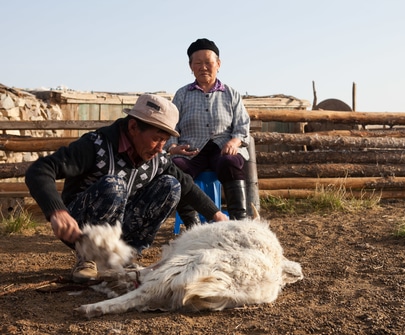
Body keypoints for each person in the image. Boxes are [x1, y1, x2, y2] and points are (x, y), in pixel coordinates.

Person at [25, 94, 228, 283]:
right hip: (78, 228)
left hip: (119, 228)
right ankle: (89, 257)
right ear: (133, 127)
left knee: (171, 186)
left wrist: (217, 216)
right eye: (156, 138)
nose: (160, 148)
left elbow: (188, 187)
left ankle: (125, 255)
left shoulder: (158, 159)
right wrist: (57, 212)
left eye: (165, 141)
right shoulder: (95, 146)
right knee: (114, 185)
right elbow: (40, 170)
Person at [167, 38, 250, 227]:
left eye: (208, 63)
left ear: (218, 64)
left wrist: (235, 141)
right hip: (191, 150)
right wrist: (172, 147)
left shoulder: (231, 93)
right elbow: (171, 126)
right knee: (177, 168)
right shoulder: (182, 94)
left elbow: (242, 125)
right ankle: (192, 225)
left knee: (231, 163)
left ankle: (240, 223)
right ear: (190, 66)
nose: (203, 67)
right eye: (197, 63)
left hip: (222, 148)